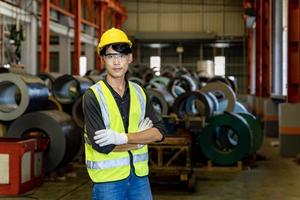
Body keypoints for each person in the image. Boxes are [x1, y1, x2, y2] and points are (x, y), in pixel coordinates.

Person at [82, 27, 165, 200]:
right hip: (108, 182)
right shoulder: (93, 96)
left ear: (129, 58)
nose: (117, 62)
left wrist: (123, 138)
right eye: (111, 56)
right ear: (103, 59)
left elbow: (159, 132)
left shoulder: (139, 92)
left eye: (121, 56)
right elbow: (102, 146)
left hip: (139, 178)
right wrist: (140, 141)